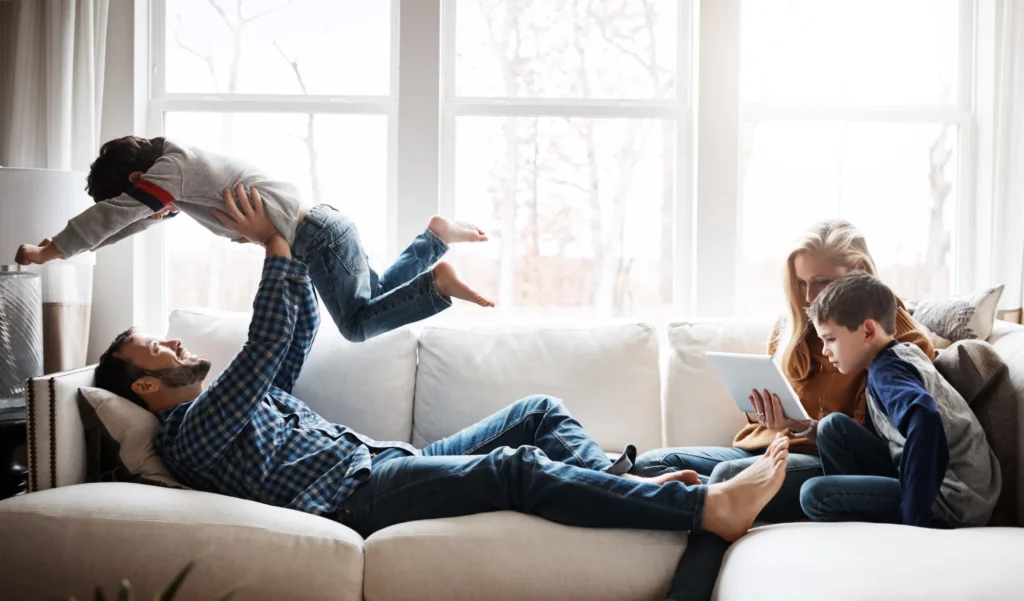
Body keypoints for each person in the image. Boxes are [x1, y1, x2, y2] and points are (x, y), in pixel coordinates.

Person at [91, 184, 792, 544]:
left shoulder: (235, 405)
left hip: (385, 462)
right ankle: (703, 508)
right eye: (159, 347)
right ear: (144, 385)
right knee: (516, 468)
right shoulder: (193, 432)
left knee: (538, 413)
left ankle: (624, 483)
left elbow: (294, 328)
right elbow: (265, 344)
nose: (177, 345)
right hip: (354, 500)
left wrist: (287, 246)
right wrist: (274, 246)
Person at [630, 220, 935, 601]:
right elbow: (775, 397)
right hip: (768, 445)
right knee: (654, 464)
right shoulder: (795, 325)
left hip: (820, 459)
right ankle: (721, 496)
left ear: (860, 271)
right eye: (801, 282)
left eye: (822, 282)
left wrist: (803, 427)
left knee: (729, 479)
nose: (809, 297)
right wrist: (764, 412)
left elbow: (867, 441)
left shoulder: (893, 340)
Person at [14, 136, 493, 343]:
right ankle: (434, 239)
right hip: (327, 225)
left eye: (138, 197)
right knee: (379, 293)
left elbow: (114, 216)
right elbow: (132, 221)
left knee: (355, 326)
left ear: (139, 179)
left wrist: (51, 250)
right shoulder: (181, 163)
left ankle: (437, 285)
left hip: (315, 239)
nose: (150, 211)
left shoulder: (170, 170)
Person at [801, 272, 1000, 527]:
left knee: (814, 494)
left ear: (868, 331)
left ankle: (862, 526)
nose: (825, 350)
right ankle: (859, 516)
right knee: (832, 428)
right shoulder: (899, 355)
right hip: (959, 490)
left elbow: (926, 419)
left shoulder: (887, 372)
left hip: (949, 499)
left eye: (830, 339)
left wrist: (913, 514)